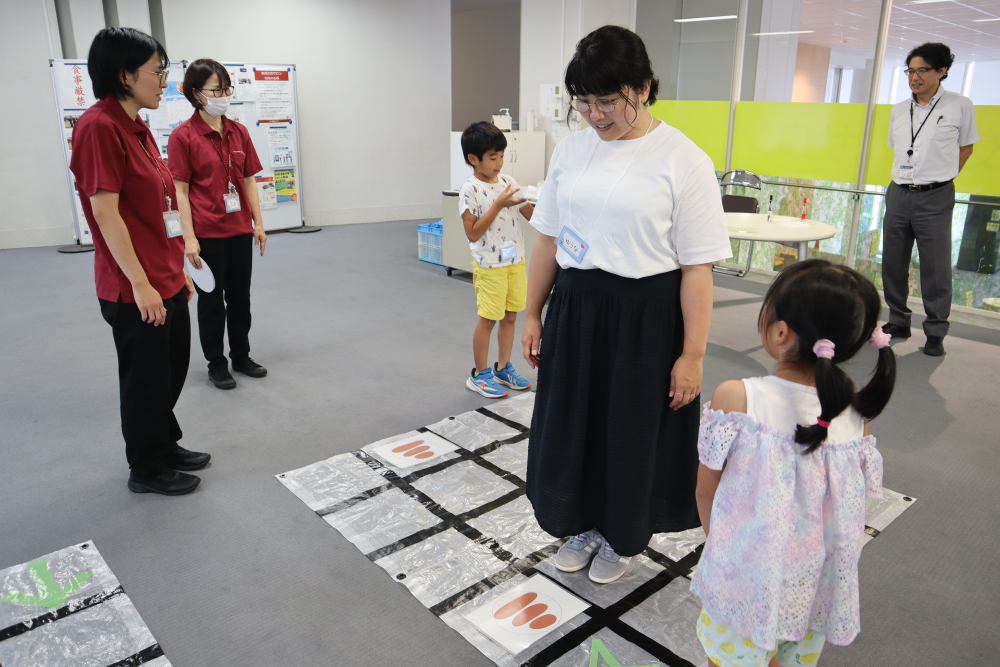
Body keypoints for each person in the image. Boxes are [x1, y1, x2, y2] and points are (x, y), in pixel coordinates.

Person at [521, 26, 732, 584]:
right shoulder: (570, 150)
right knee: (575, 424)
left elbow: (697, 268)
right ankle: (584, 521)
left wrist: (693, 353)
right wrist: (531, 312)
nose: (595, 114)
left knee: (631, 432)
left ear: (643, 87)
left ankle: (623, 534)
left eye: (608, 100)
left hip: (645, 316)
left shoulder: (685, 159)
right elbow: (547, 239)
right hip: (576, 307)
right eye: (584, 101)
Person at [692, 259, 896, 667]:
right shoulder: (856, 416)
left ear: (780, 331)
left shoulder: (738, 396)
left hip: (745, 578)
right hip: (810, 584)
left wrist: (721, 550)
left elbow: (705, 489)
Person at [70, 28, 210, 496]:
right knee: (145, 378)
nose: (163, 81)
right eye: (156, 71)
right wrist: (142, 285)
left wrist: (176, 273)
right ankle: (146, 466)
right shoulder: (98, 128)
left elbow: (160, 208)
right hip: (133, 284)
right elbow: (105, 214)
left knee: (169, 368)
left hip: (163, 272)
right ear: (125, 74)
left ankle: (164, 443)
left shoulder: (138, 126)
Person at [169, 59, 268, 389]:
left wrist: (258, 223)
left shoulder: (238, 131)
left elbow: (249, 180)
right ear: (197, 93)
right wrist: (189, 238)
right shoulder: (183, 136)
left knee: (241, 299)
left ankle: (241, 355)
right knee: (211, 303)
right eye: (216, 89)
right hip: (207, 234)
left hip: (239, 230)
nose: (223, 95)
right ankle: (216, 362)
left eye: (226, 89)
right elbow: (180, 191)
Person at [881, 42, 979, 357]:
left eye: (923, 70)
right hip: (898, 193)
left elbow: (966, 148)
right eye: (910, 70)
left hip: (935, 196)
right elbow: (898, 151)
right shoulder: (898, 109)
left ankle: (935, 331)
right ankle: (898, 320)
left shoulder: (959, 105)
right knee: (893, 263)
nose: (915, 76)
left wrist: (942, 179)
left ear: (941, 71)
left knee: (935, 268)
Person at [459, 121, 534, 398]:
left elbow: (531, 215)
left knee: (511, 316)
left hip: (515, 262)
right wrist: (498, 205)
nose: (499, 162)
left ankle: (503, 368)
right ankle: (479, 375)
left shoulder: (509, 183)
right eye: (493, 157)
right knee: (488, 319)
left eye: (501, 155)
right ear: (473, 159)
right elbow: (473, 233)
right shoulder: (470, 190)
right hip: (489, 265)